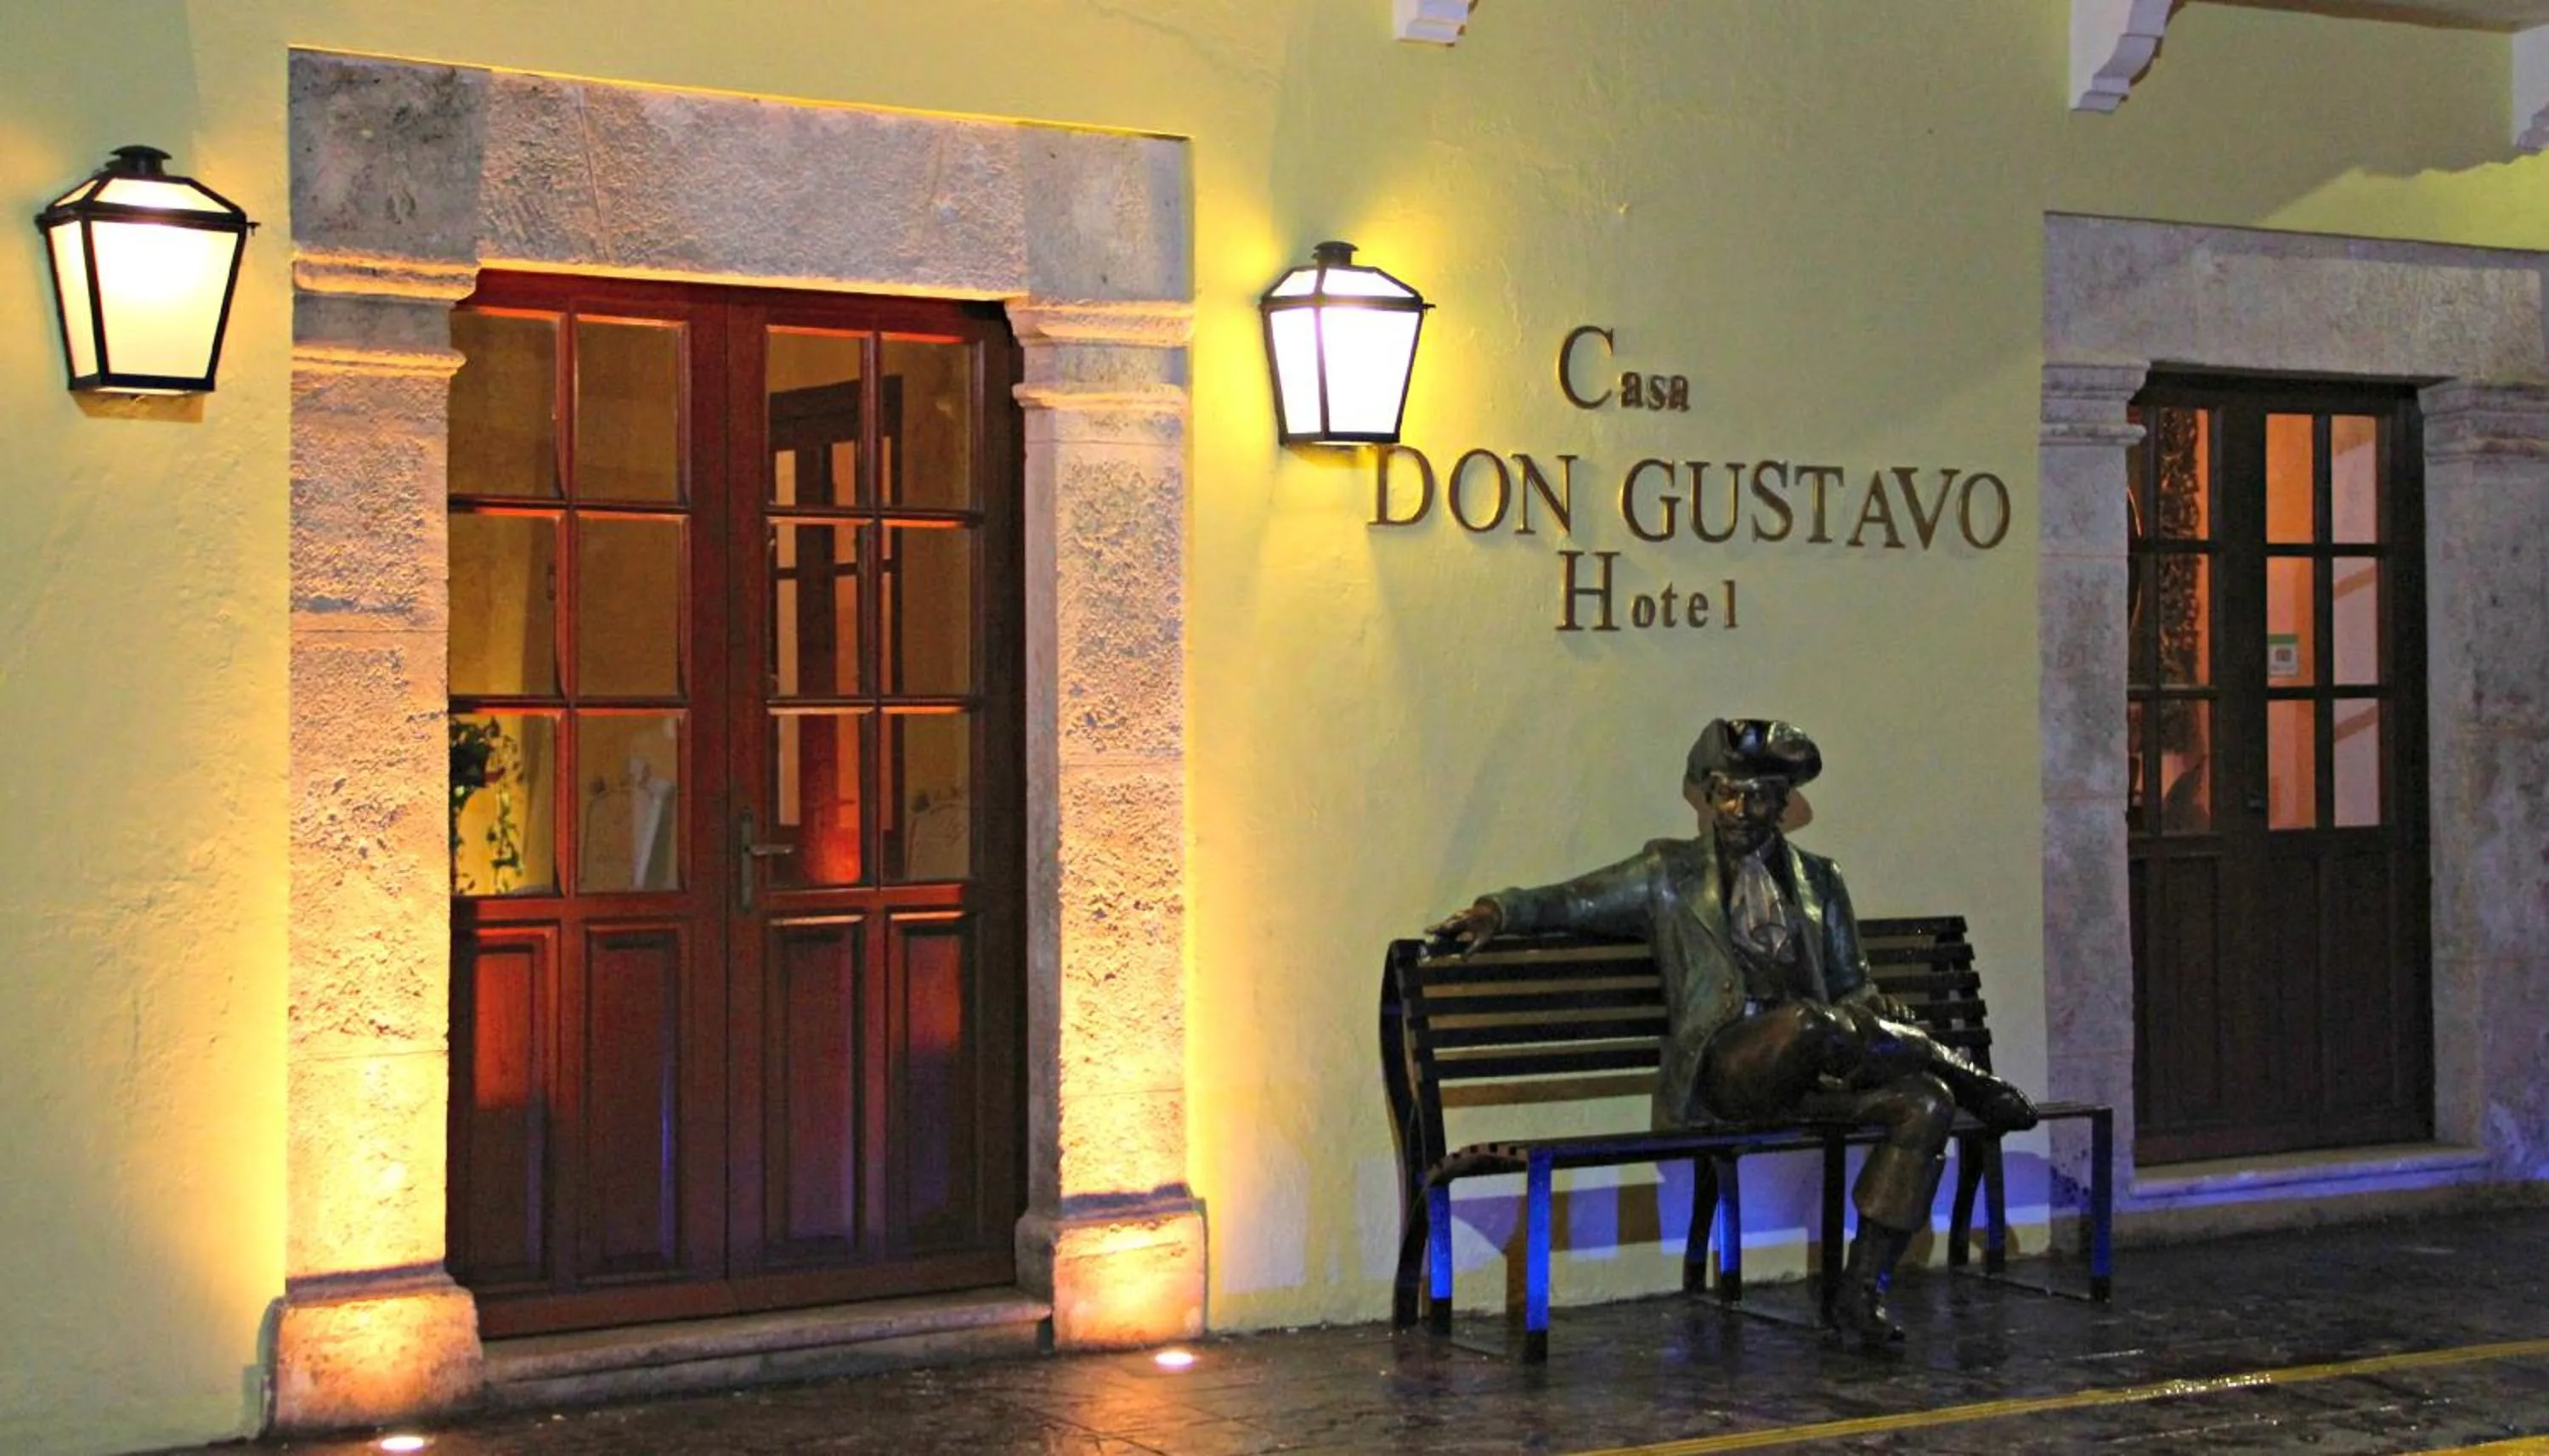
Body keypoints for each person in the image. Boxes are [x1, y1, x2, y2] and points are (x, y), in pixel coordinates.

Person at [1426, 717, 2040, 1346]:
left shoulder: (1820, 881)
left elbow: (1853, 984)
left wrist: (1874, 1014)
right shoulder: (1669, 872)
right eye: (1728, 792)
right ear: (1707, 794)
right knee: (1812, 1021)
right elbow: (1572, 901)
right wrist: (1496, 910)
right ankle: (1967, 1074)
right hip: (1726, 1073)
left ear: (1782, 803)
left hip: (1815, 1065)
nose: (1743, 809)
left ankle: (1861, 1294)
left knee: (1925, 1103)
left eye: (1761, 795)